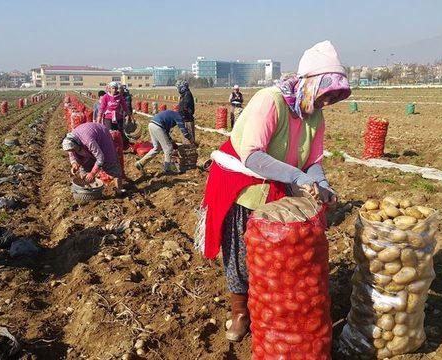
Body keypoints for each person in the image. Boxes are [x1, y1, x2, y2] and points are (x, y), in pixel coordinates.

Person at [199, 41, 351, 342]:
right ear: (309, 82)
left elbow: (313, 161)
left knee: (277, 254)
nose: (326, 102)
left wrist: (321, 185)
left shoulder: (314, 115)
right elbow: (253, 155)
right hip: (242, 183)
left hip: (278, 183)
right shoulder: (271, 100)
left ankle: (271, 305)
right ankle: (241, 313)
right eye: (324, 94)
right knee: (241, 252)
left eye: (332, 98)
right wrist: (296, 176)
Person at [62, 122, 127, 196]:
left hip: (102, 136)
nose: (73, 151)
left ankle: (119, 191)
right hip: (86, 140)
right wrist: (74, 163)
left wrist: (93, 173)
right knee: (84, 166)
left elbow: (100, 157)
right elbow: (71, 151)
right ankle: (88, 189)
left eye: (74, 149)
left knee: (110, 163)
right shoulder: (70, 140)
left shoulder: (88, 141)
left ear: (77, 144)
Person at [135, 110, 193, 174]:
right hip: (158, 126)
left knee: (157, 148)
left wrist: (171, 141)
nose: (184, 120)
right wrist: (190, 139)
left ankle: (140, 163)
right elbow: (183, 129)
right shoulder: (178, 116)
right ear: (184, 116)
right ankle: (167, 170)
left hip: (152, 125)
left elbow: (165, 132)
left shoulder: (172, 114)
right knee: (168, 148)